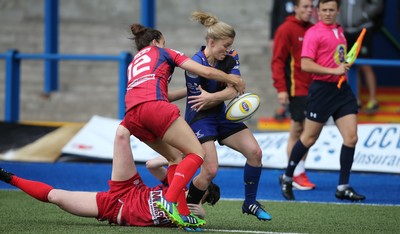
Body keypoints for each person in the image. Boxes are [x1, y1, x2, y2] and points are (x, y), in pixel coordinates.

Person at [120, 23, 245, 228]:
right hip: (154, 107)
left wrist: (189, 89)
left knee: (174, 157)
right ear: (155, 42)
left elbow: (161, 93)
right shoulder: (163, 52)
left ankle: (183, 212)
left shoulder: (134, 63)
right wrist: (231, 78)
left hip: (132, 115)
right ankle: (169, 201)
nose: (164, 45)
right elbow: (205, 70)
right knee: (196, 153)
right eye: (163, 42)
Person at [183, 11, 272, 221]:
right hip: (199, 119)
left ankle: (249, 202)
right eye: (225, 45)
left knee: (255, 152)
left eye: (230, 44)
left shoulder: (231, 56)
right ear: (211, 43)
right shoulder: (193, 64)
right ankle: (189, 206)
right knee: (210, 170)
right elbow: (199, 101)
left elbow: (235, 91)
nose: (229, 49)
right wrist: (226, 90)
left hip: (221, 115)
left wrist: (213, 96)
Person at [278, 0, 366, 202]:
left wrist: (342, 65)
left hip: (341, 90)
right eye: (324, 10)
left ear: (338, 11)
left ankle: (343, 186)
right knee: (308, 138)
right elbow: (306, 65)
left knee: (351, 137)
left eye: (331, 10)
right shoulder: (313, 33)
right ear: (318, 12)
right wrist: (333, 70)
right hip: (322, 90)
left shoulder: (339, 30)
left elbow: (336, 57)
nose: (327, 13)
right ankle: (288, 176)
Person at [0, 155, 220, 231]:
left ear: (205, 194)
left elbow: (192, 221)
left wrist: (198, 214)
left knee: (55, 197)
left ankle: (9, 179)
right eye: (197, 181)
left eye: (201, 185)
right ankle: (8, 176)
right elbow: (152, 164)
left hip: (115, 210)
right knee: (122, 134)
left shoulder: (195, 213)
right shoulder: (176, 183)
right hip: (129, 191)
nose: (195, 183)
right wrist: (175, 160)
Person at [271, 0, 315, 190]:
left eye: (310, 6)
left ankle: (295, 172)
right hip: (296, 88)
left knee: (307, 131)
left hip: (315, 89)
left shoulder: (313, 29)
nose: (308, 10)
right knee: (300, 130)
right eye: (304, 6)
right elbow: (278, 61)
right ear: (295, 8)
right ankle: (295, 173)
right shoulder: (286, 29)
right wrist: (281, 88)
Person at [339, 0, 384, 114]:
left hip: (362, 28)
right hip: (346, 31)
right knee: (351, 65)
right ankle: (356, 99)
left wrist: (364, 14)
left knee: (365, 65)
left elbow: (377, 3)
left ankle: (373, 100)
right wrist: (340, 21)